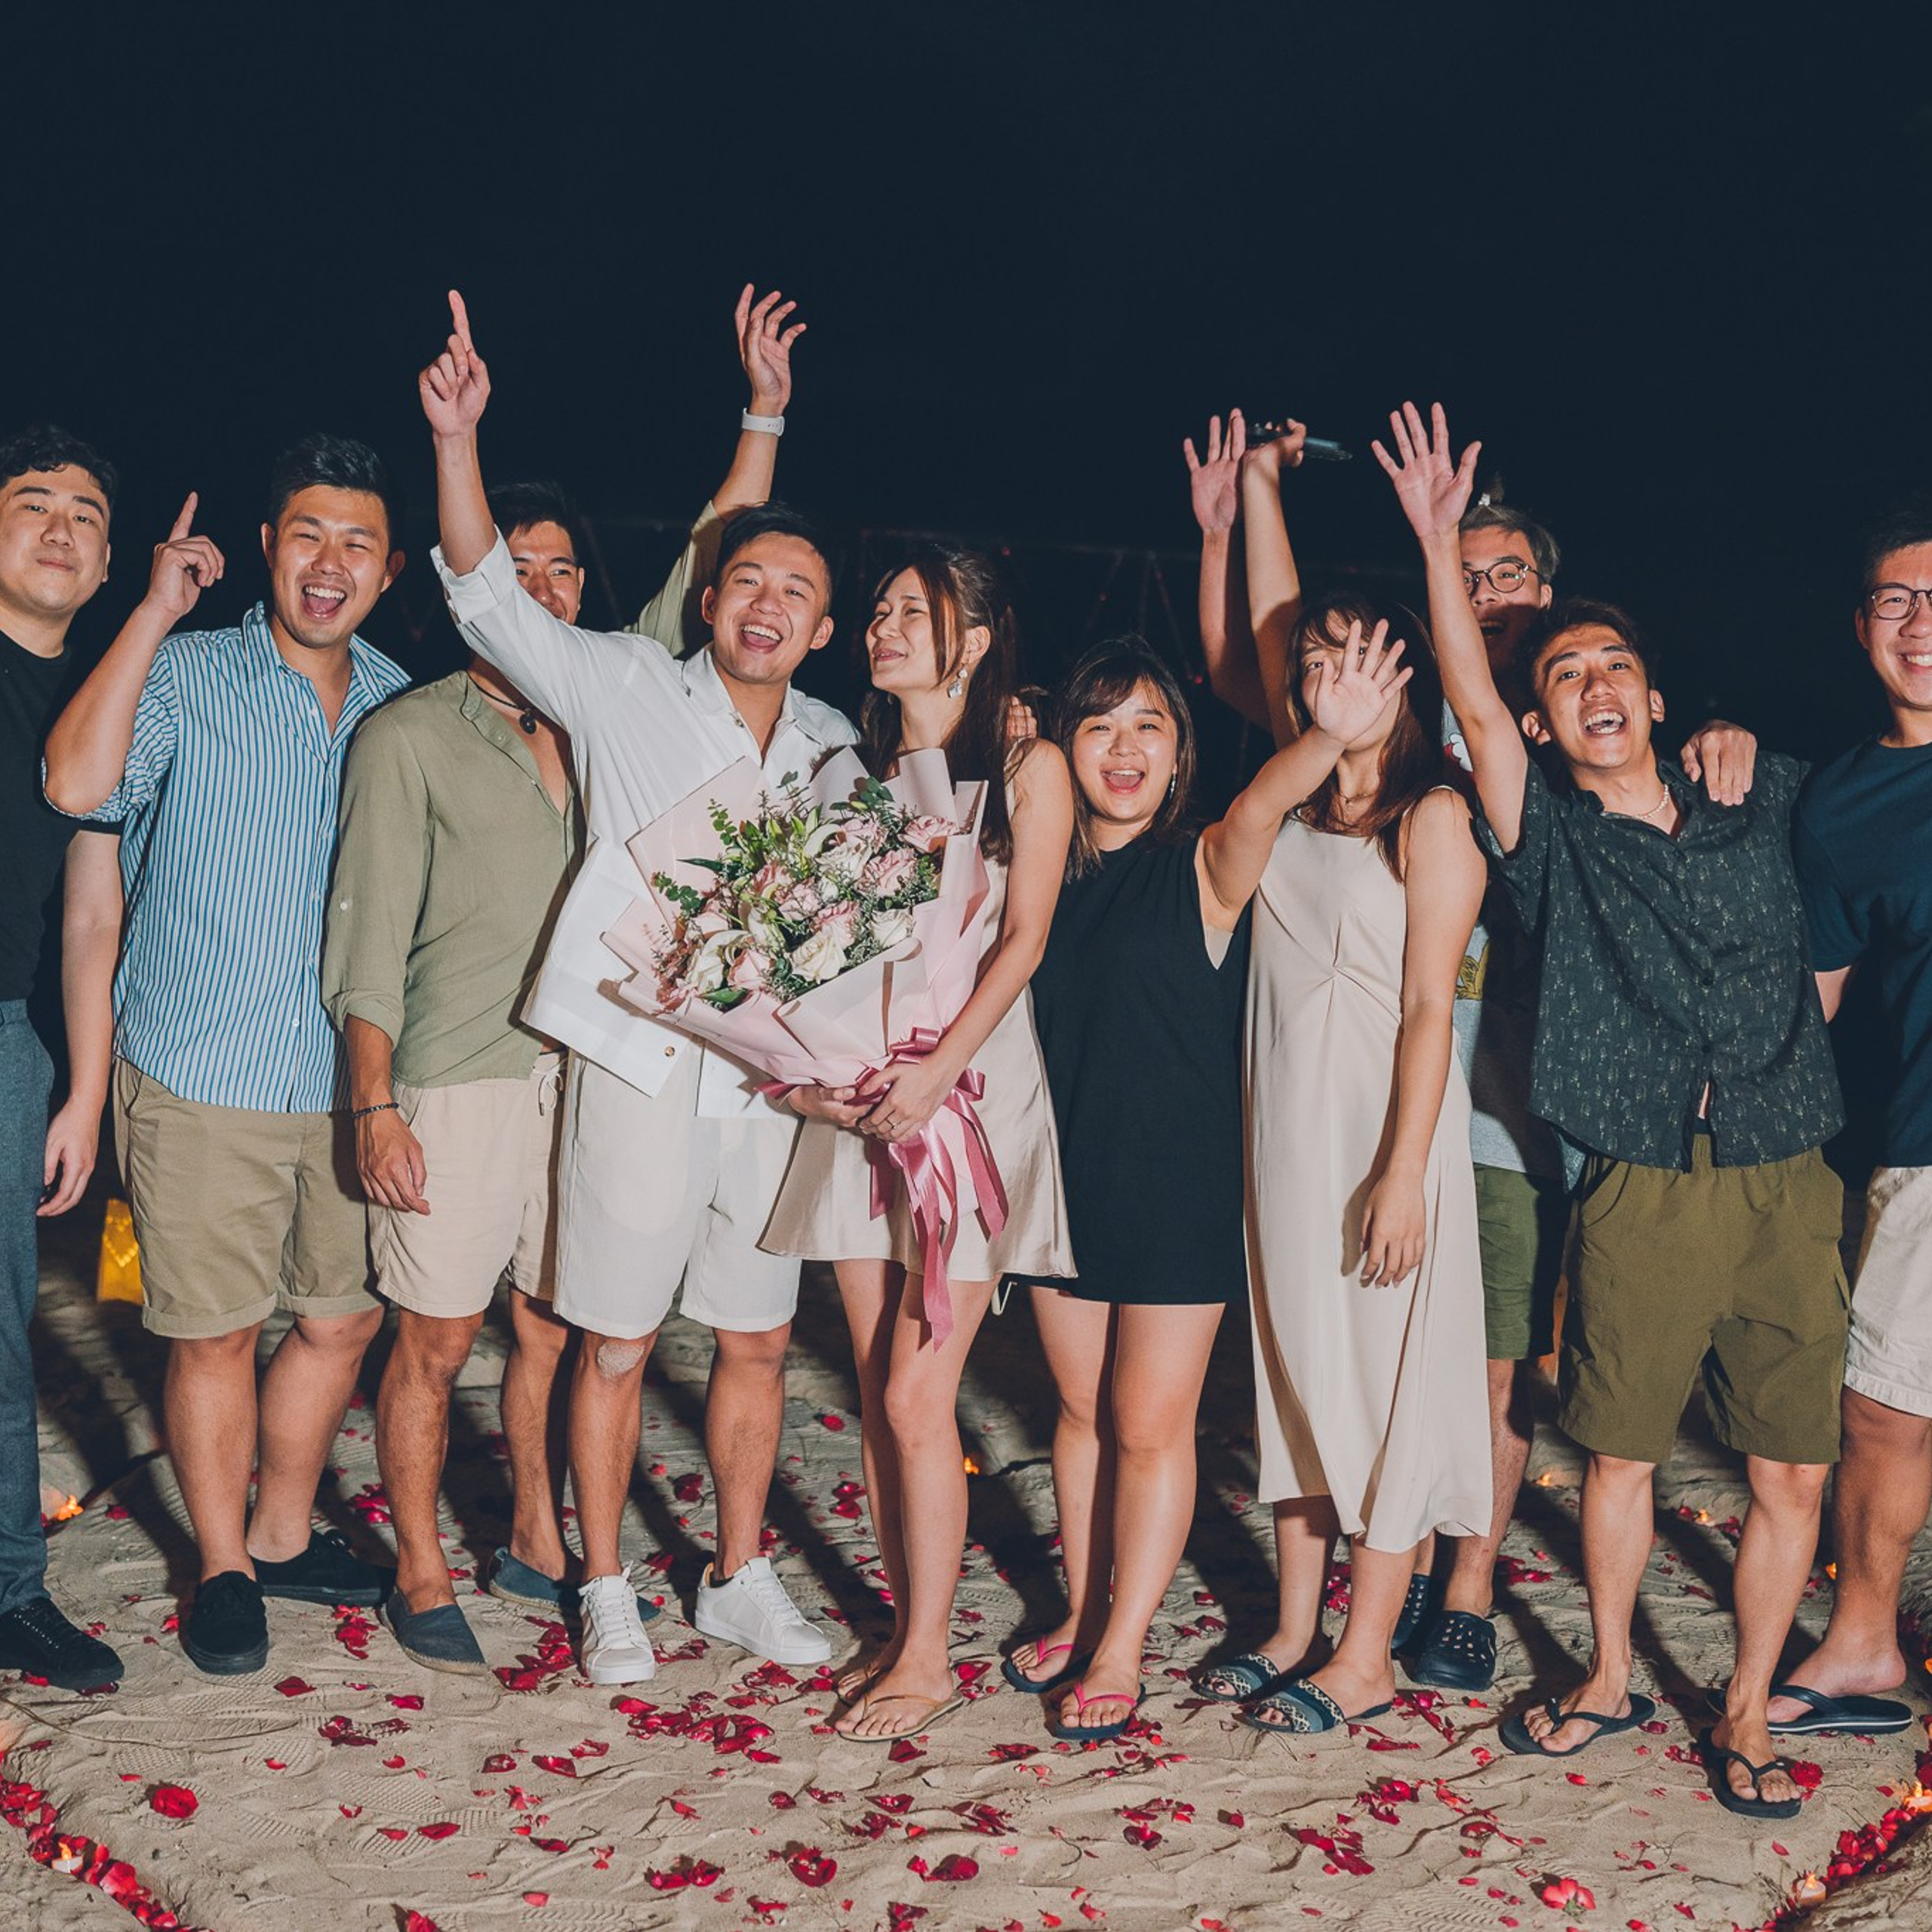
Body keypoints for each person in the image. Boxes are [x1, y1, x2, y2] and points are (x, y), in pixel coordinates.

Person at [1377, 401, 1846, 1820]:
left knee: (1790, 1470)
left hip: (1788, 1172)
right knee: (1620, 1456)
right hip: (1641, 1179)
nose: (1594, 685)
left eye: (1616, 667)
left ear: (1655, 697)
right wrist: (1433, 542)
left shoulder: (1767, 798)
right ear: (1542, 720)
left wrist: (1794, 1040)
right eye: (1566, 672)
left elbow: (1853, 915)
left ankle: (1747, 1706)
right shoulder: (1548, 843)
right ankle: (1605, 1678)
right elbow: (1470, 705)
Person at [325, 291, 804, 1675]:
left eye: (562, 572)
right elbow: (366, 937)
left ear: (591, 595)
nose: (539, 590)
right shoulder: (417, 733)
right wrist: (374, 1100)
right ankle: (422, 1566)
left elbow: (726, 561)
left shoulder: (627, 693)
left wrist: (762, 415)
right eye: (518, 569)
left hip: (593, 1072)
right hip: (465, 1067)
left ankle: (540, 1532)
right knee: (434, 1337)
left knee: (558, 1322)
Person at [42, 436, 410, 1676]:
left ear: (390, 571)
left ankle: (283, 1533)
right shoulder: (185, 672)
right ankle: (223, 1568)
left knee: (343, 1322)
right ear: (266, 547)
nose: (329, 563)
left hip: (348, 1085)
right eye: (307, 533)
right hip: (199, 1074)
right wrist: (150, 611)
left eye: (357, 543)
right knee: (210, 1334)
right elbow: (74, 785)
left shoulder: (401, 703)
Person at [761, 549, 1075, 1742]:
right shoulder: (855, 773)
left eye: (915, 612)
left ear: (976, 639)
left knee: (913, 1390)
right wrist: (819, 1074)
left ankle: (930, 1659)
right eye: (881, 610)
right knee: (880, 1398)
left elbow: (1026, 937)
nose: (885, 627)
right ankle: (908, 1631)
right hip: (861, 1103)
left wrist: (937, 1072)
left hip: (967, 1098)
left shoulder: (1028, 764)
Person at [1211, 594, 1493, 1737]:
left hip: (1385, 1138)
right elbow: (1232, 846)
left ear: (1405, 672)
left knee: (1384, 1393)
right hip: (1287, 1133)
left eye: (1361, 654)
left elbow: (1431, 1007)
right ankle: (1294, 1631)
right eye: (1317, 658)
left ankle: (1366, 1653)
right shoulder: (1287, 802)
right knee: (1299, 1377)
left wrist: (1404, 1171)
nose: (1337, 673)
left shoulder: (1434, 814)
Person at [1001, 638, 1252, 1743]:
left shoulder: (1207, 862)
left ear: (1180, 751)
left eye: (1149, 724)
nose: (1124, 747)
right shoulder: (1038, 870)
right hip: (1062, 1174)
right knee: (1078, 1413)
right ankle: (1081, 1605)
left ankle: (1122, 1646)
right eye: (1099, 724)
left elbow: (1276, 790)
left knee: (1150, 1424)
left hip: (1178, 1184)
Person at [1768, 506, 1932, 1740]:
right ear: (1862, 625)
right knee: (1882, 1403)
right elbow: (1809, 1000)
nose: (1921, 625)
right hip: (1926, 1139)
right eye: (1896, 599)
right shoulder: (1841, 802)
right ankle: (1867, 1640)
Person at [0, 428, 125, 1690]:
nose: (58, 528)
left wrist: (82, 1089)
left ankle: (10, 1593)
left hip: (7, 1039)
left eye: (84, 514)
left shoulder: (99, 697)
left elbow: (94, 916)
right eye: (31, 502)